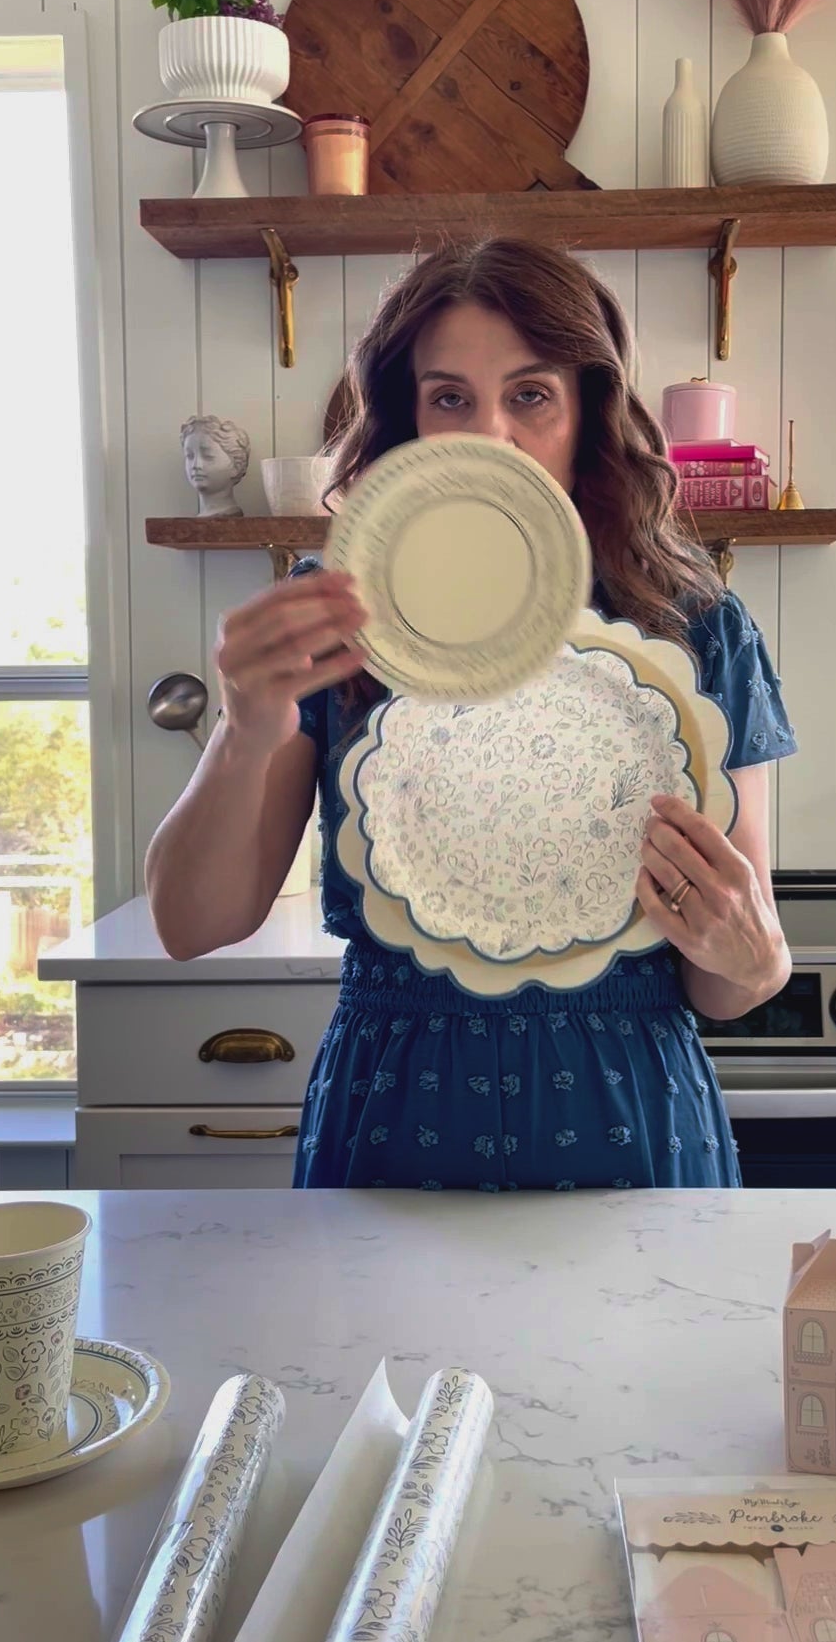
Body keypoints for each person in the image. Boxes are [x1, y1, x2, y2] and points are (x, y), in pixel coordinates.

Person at [146, 238, 797, 1191]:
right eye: (450, 396)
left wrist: (757, 956)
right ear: (409, 415)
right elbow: (189, 922)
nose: (488, 434)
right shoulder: (335, 612)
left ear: (588, 410)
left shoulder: (697, 627)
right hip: (394, 1119)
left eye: (529, 394)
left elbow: (726, 983)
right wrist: (248, 726)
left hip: (634, 1125)